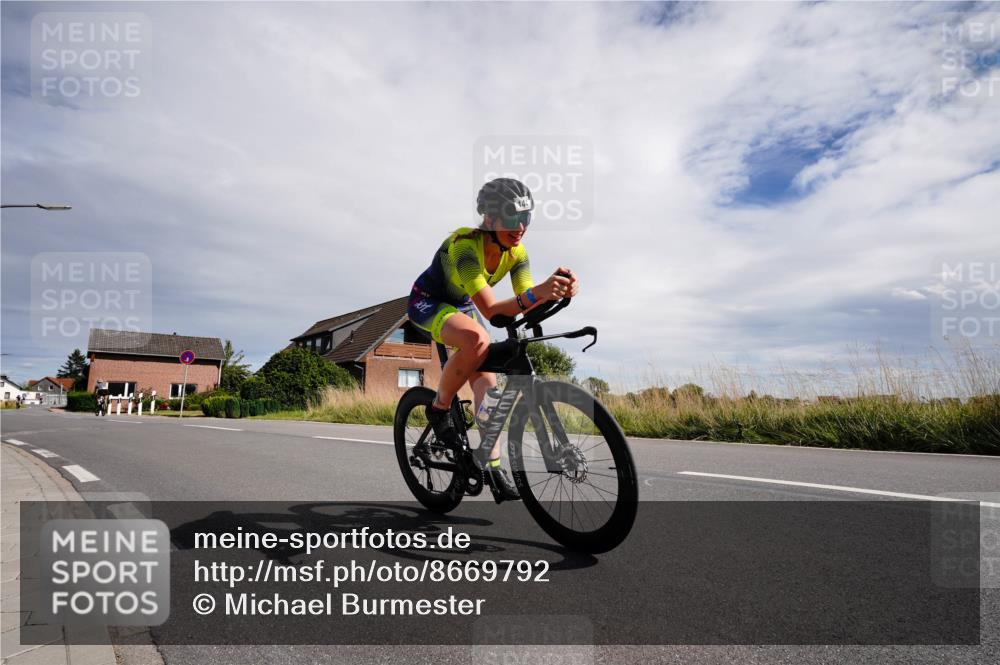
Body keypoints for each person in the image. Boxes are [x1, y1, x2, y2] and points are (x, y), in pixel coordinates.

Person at [407, 178, 578, 501]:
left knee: (488, 389)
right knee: (477, 338)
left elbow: (523, 298)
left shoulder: (517, 251)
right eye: (513, 219)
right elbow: (490, 308)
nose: (521, 227)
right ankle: (439, 408)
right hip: (427, 301)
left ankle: (491, 467)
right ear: (489, 219)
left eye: (526, 219)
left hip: (462, 305)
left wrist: (556, 288)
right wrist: (538, 292)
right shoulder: (463, 246)